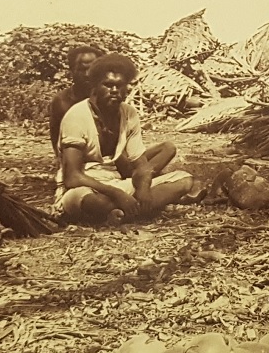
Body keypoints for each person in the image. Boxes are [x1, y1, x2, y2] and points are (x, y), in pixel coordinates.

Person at [55, 52, 200, 224]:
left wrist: (144, 188)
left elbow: (140, 164)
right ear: (95, 85)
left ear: (126, 87)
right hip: (86, 188)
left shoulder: (128, 114)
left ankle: (120, 213)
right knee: (91, 200)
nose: (114, 91)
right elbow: (72, 178)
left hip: (118, 183)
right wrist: (118, 194)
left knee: (184, 180)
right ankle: (132, 210)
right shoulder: (77, 116)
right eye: (108, 85)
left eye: (120, 85)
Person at [49, 45, 104, 153]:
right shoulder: (62, 101)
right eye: (82, 69)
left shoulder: (109, 98)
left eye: (92, 69)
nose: (87, 74)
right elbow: (56, 138)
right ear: (71, 71)